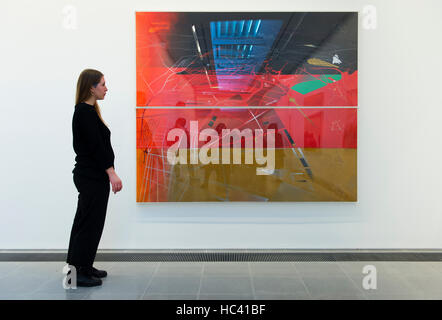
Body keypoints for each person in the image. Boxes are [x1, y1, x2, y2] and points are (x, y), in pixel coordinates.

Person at [66, 69, 122, 287]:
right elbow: (96, 147)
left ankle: (84, 266)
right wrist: (111, 172)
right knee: (87, 224)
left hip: (92, 175)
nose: (106, 88)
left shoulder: (88, 111)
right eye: (103, 84)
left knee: (89, 222)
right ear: (91, 87)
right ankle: (76, 272)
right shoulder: (84, 112)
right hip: (91, 176)